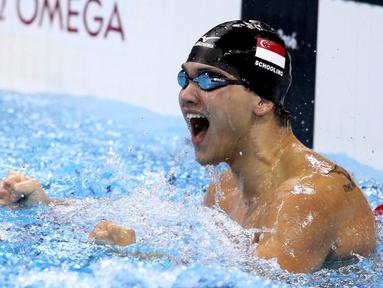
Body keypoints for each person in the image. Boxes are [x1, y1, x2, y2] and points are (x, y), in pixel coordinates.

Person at [0, 20, 376, 273]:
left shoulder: (309, 197)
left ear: (262, 100)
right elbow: (145, 218)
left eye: (210, 79)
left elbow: (258, 281)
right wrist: (48, 207)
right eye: (186, 78)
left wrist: (140, 256)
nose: (187, 95)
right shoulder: (225, 190)